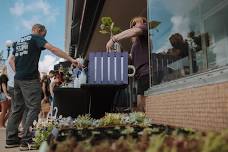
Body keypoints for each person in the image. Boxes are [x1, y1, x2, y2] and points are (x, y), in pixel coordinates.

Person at [6, 23, 82, 150]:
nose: (44, 37)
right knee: (34, 108)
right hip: (29, 80)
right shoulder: (36, 37)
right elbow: (53, 49)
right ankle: (26, 140)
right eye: (44, 35)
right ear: (39, 30)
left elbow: (11, 60)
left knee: (17, 109)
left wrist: (19, 71)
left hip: (18, 79)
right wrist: (70, 59)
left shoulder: (19, 41)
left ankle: (11, 139)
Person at [106, 16, 149, 112]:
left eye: (135, 23)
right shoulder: (135, 44)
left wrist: (114, 39)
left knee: (143, 106)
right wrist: (119, 51)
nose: (132, 26)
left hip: (147, 73)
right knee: (140, 106)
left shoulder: (146, 27)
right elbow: (131, 58)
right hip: (140, 75)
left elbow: (134, 31)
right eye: (131, 25)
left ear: (142, 22)